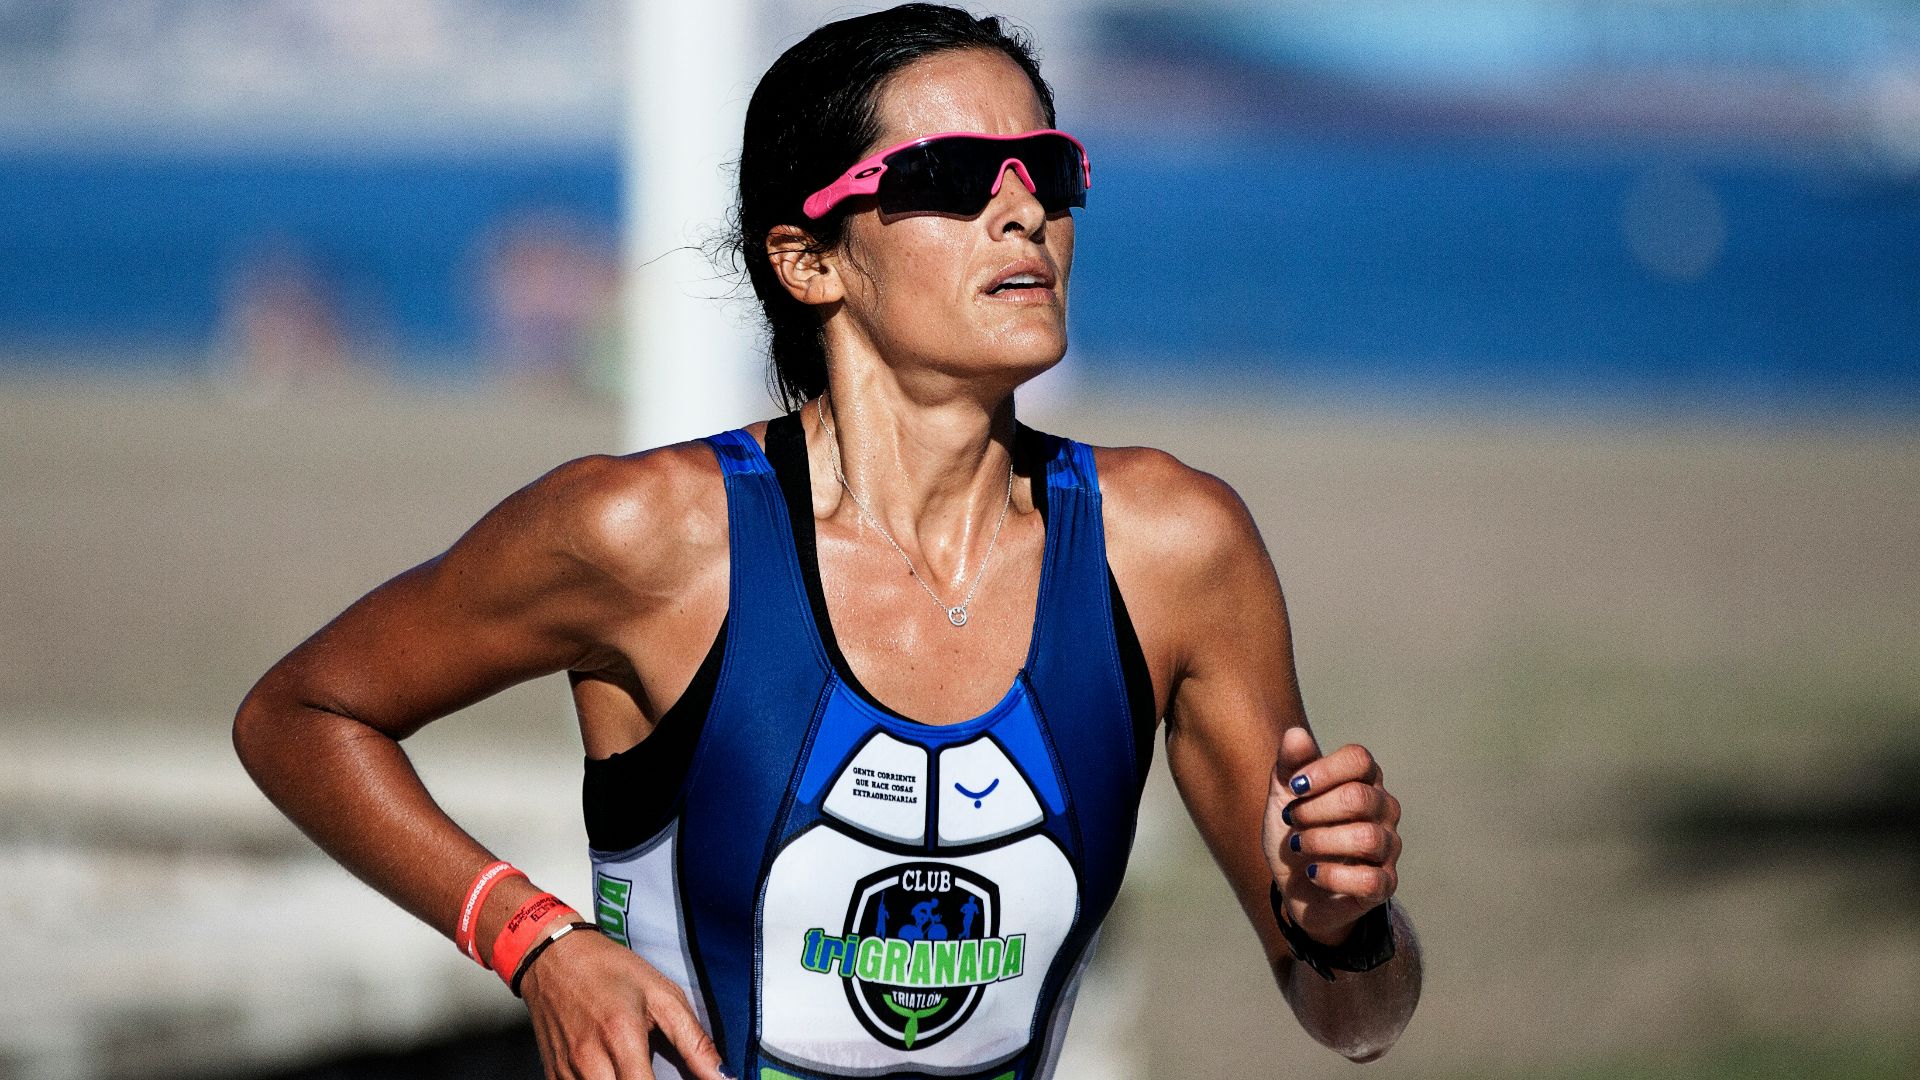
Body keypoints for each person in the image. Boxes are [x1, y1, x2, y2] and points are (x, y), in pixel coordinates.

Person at [232, 6, 1422, 1079]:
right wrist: (533, 940)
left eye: (1050, 172)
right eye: (954, 176)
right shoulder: (651, 535)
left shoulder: (1170, 549)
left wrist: (1344, 925)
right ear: (810, 260)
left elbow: (1357, 1018)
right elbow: (301, 715)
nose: (1025, 211)